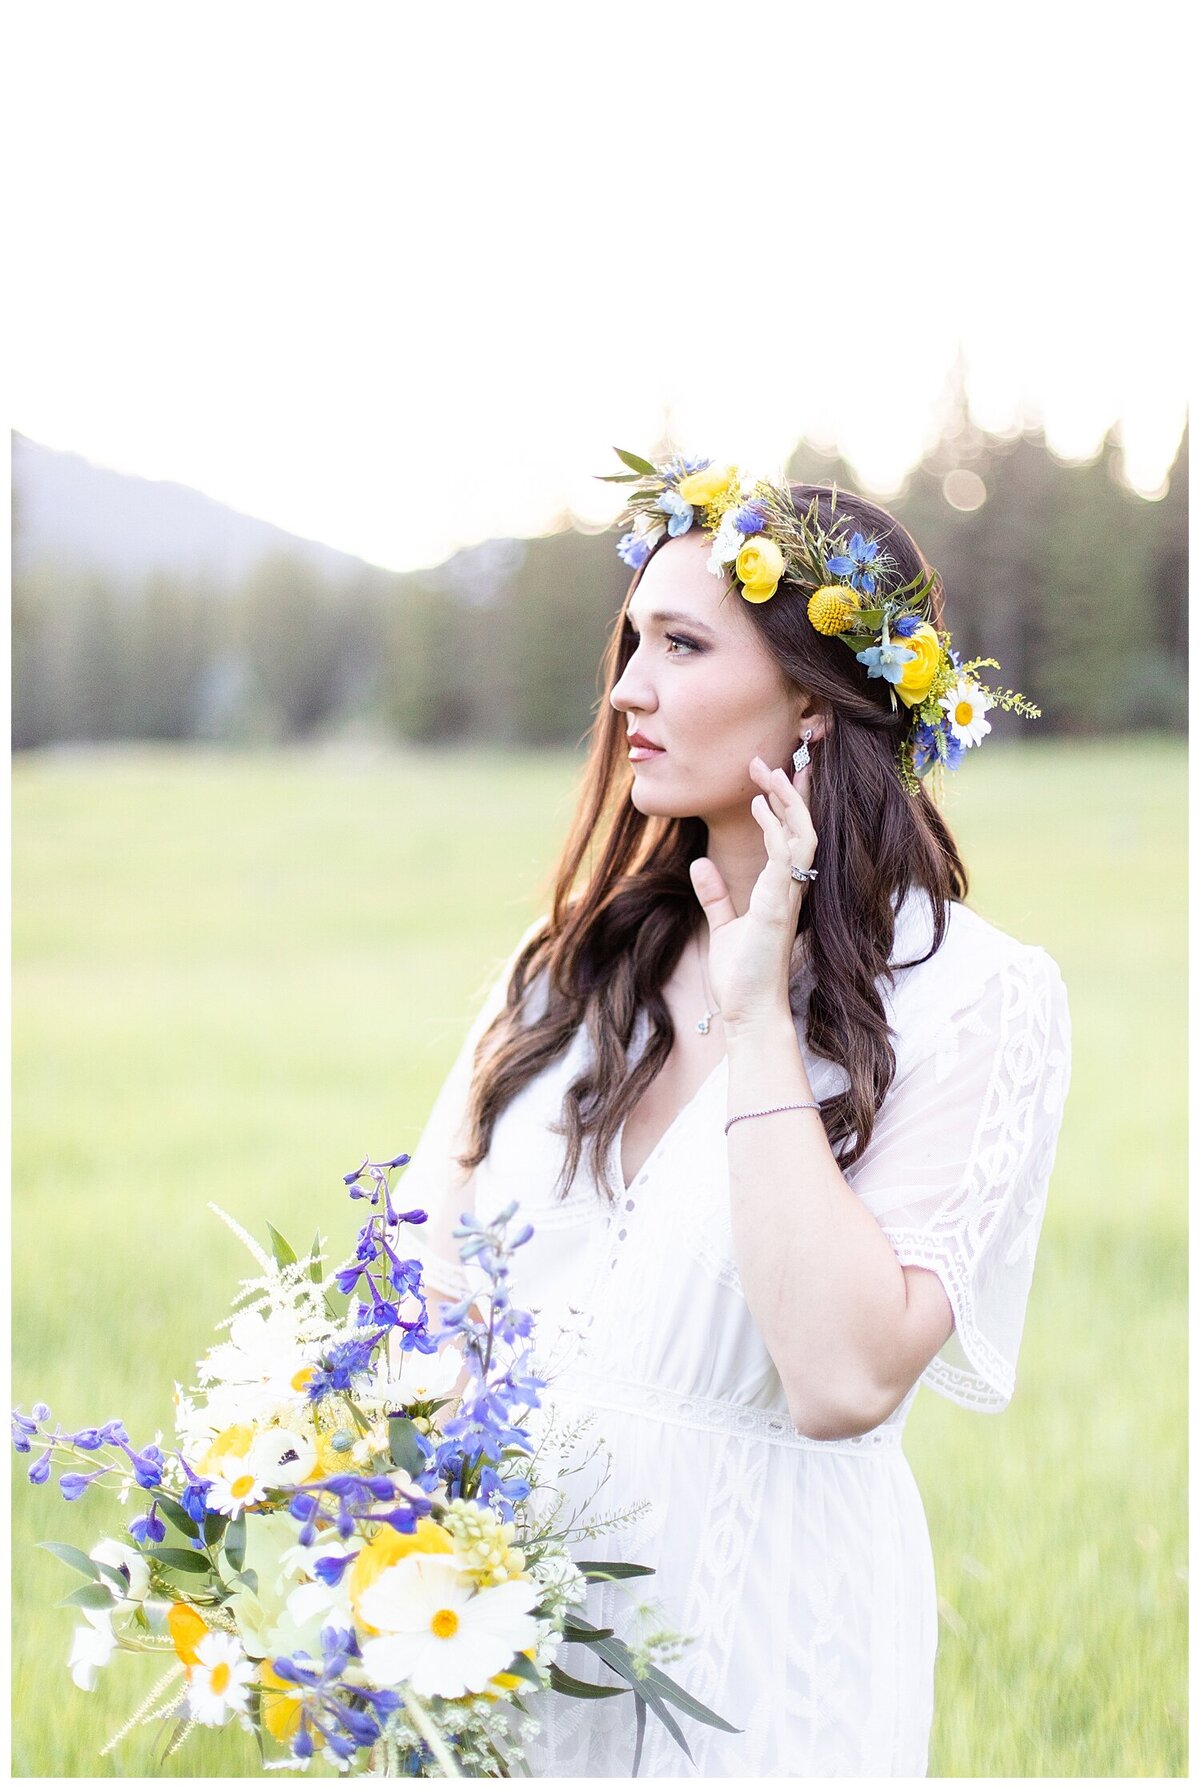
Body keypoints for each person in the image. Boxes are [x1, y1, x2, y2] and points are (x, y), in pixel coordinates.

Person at [399, 455, 1071, 1777]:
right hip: (499, 1642)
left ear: (815, 705)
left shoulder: (978, 997)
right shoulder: (565, 969)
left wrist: (763, 1013)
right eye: (630, 641)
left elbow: (840, 1376)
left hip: (762, 1652)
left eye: (681, 644)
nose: (626, 689)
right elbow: (413, 1288)